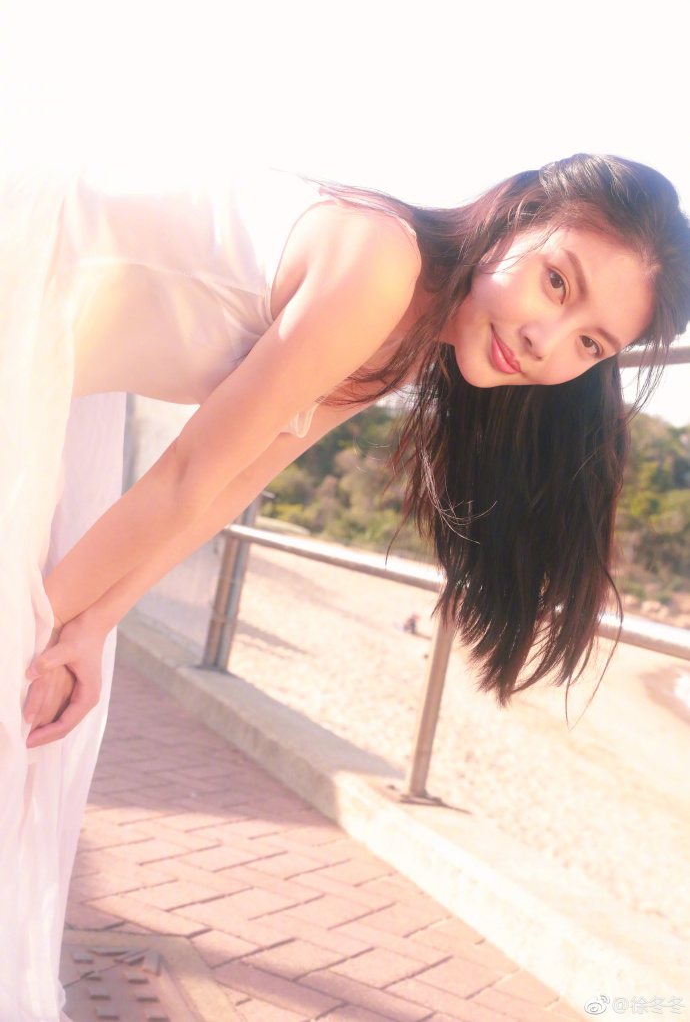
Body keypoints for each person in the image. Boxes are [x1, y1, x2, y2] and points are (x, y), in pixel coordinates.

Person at [3, 152, 690, 1019]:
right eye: (557, 281)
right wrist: (39, 629)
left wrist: (91, 624)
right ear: (514, 216)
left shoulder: (404, 332)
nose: (546, 343)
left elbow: (233, 481)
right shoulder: (380, 264)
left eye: (591, 344)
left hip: (44, 349)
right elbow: (184, 474)